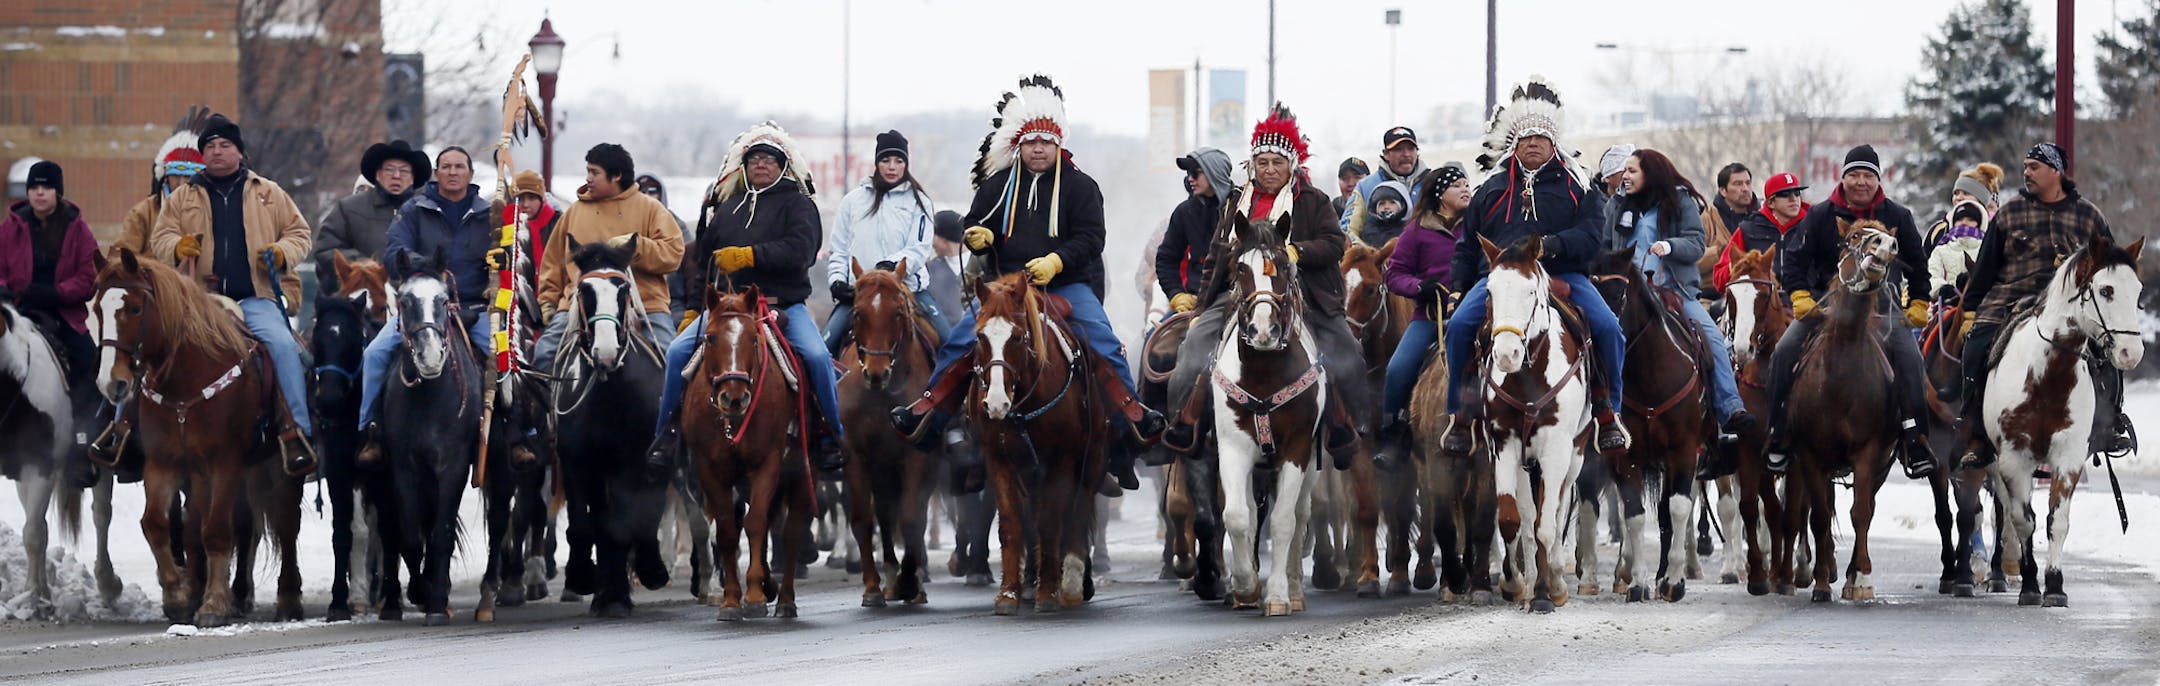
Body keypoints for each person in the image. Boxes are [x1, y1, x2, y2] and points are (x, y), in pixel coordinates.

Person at [889, 76, 1166, 491]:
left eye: (1046, 142)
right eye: (1032, 142)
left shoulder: (1081, 187)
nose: (1039, 149)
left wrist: (1057, 261)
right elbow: (975, 221)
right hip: (1007, 287)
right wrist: (978, 235)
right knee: (964, 339)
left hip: (1066, 285)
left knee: (1105, 342)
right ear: (1020, 145)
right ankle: (933, 418)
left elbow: (1092, 239)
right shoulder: (998, 185)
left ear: (1058, 144)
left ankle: (1129, 428)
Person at [1159, 104, 1362, 466]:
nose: (1269, 170)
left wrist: (1296, 252)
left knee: (1346, 350)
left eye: (1277, 162)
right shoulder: (1237, 203)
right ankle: (1186, 423)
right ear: (1252, 164)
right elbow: (1216, 258)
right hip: (1241, 294)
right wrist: (1202, 307)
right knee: (1192, 348)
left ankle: (1346, 426)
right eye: (1262, 162)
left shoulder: (1313, 201)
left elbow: (1334, 244)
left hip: (1305, 295)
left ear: (1292, 165)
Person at [1442, 77, 1628, 456]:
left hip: (1564, 275)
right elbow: (1466, 246)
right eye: (1526, 139)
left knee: (1609, 329)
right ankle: (1461, 416)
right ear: (1514, 143)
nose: (1532, 144)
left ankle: (1607, 410)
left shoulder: (1579, 187)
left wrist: (1552, 246)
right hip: (1502, 279)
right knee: (1460, 326)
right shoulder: (1490, 190)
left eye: (1540, 139)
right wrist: (1459, 287)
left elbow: (1593, 236)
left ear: (1554, 143)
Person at [649, 121, 843, 472]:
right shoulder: (726, 207)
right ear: (743, 165)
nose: (761, 164)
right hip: (729, 307)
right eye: (754, 159)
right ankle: (668, 433)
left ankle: (830, 434)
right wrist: (694, 311)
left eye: (769, 159)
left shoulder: (799, 205)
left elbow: (801, 250)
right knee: (677, 351)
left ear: (783, 166)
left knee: (817, 358)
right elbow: (705, 264)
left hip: (783, 304)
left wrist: (750, 255)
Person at [147, 114, 317, 474]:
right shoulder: (181, 197)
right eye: (209, 146)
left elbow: (300, 233)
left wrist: (283, 252)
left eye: (225, 145)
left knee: (285, 348)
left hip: (255, 298)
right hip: (199, 300)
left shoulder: (269, 193)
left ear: (239, 152)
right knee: (149, 345)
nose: (216, 152)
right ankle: (124, 428)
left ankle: (294, 431)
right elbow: (159, 238)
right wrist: (178, 246)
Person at [1957, 143, 2132, 469]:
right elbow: (1984, 268)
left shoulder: (2090, 215)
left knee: (2107, 349)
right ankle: (1975, 429)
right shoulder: (2009, 213)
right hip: (2012, 301)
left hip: (2073, 308)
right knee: (1976, 344)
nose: (2026, 173)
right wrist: (1971, 309)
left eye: (2034, 167)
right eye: (2025, 166)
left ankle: (2110, 423)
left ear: (2056, 172)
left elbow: (2112, 269)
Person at [1765, 144, 1935, 477]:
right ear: (1843, 178)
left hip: (1882, 308)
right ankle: (1779, 433)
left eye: (1868, 175)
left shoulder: (1898, 215)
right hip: (1825, 306)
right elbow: (1795, 263)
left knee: (1912, 360)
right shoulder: (1820, 215)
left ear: (1878, 179)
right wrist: (1800, 297)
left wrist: (1918, 303)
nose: (1861, 182)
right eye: (1854, 174)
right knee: (1783, 353)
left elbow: (1919, 265)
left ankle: (1914, 437)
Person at [1609, 149, 1755, 480]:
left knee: (1712, 337)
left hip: (1673, 290)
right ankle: (1599, 413)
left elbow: (1696, 243)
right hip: (1627, 297)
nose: (1626, 176)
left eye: (1632, 170)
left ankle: (1728, 407)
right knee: (1601, 336)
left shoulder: (1679, 201)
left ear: (1652, 172)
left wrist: (1670, 246)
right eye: (1624, 171)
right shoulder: (1617, 204)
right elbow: (1605, 246)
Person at [352, 147, 499, 462]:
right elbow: (394, 252)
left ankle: (512, 431)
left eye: (459, 166)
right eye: (446, 166)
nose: (453, 172)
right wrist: (426, 267)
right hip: (422, 304)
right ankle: (371, 429)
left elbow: (510, 262)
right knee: (375, 354)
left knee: (505, 361)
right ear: (436, 173)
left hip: (474, 306)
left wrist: (503, 259)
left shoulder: (490, 214)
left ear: (470, 174)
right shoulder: (413, 210)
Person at [532, 143, 683, 375]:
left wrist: (636, 246)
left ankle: (672, 411)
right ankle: (542, 411)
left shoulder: (651, 209)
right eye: (588, 171)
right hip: (580, 304)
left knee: (671, 356)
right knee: (544, 353)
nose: (588, 178)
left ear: (616, 176)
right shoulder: (574, 211)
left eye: (595, 172)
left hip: (645, 304)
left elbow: (673, 254)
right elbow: (553, 263)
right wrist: (548, 302)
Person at [1, 160, 102, 484]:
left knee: (90, 364)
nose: (39, 192)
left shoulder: (78, 228)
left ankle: (83, 445)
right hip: (17, 311)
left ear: (58, 192)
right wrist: (5, 291)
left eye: (45, 187)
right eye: (33, 187)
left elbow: (88, 277)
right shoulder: (11, 226)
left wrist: (53, 293)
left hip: (63, 313)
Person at [1372, 164, 1467, 470]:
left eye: (1467, 184)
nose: (1467, 190)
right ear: (1440, 195)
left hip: (1472, 313)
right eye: (1458, 185)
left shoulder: (1478, 224)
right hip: (1429, 316)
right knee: (1398, 368)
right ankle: (1394, 435)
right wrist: (1420, 287)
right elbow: (1395, 275)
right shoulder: (1415, 230)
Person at [822, 129, 951, 354]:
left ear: (906, 164)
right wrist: (837, 282)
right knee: (822, 349)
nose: (892, 167)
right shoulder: (852, 201)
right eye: (886, 160)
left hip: (909, 289)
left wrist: (890, 265)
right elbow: (839, 249)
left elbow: (919, 248)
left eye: (898, 160)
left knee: (951, 343)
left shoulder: (920, 202)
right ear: (876, 163)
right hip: (860, 293)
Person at [315, 140, 428, 263]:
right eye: (389, 169)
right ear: (378, 175)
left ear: (413, 178)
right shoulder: (349, 209)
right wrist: (364, 267)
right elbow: (326, 250)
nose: (396, 175)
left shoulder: (427, 212)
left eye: (404, 171)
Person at [1158, 147, 1235, 315]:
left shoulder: (1242, 207)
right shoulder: (1184, 212)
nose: (1190, 178)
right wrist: (1176, 294)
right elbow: (1166, 258)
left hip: (1234, 299)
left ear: (1214, 173)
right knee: (1152, 338)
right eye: (1188, 173)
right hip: (1193, 299)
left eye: (1196, 173)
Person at [1710, 171, 1808, 291]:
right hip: (1760, 303)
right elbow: (1719, 279)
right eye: (1785, 194)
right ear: (1771, 203)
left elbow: (1829, 273)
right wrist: (1740, 266)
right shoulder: (1748, 229)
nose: (1793, 199)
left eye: (1797, 193)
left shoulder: (1813, 226)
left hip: (1808, 301)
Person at [116, 130, 207, 259]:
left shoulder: (212, 209)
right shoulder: (143, 213)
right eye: (175, 175)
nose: (181, 183)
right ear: (165, 177)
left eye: (188, 176)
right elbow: (121, 260)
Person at [1340, 126, 1428, 241]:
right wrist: (1371, 255)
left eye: (1411, 148)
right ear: (1386, 154)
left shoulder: (1432, 183)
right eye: (1399, 149)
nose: (1406, 154)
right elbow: (1347, 230)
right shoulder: (1364, 187)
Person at [638, 174, 697, 321]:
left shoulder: (676, 225)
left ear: (661, 195)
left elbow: (686, 263)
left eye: (652, 191)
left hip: (670, 299)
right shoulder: (625, 223)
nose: (647, 196)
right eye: (642, 192)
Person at [1924, 162, 2005, 249]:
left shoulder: (1997, 230)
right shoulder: (1939, 230)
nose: (1959, 198)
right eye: (1956, 193)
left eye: (1966, 193)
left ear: (1981, 199)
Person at [1926, 200, 1988, 298]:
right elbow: (1932, 277)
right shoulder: (1940, 251)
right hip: (1946, 303)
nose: (1964, 223)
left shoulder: (1987, 249)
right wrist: (1942, 288)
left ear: (1980, 223)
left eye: (1970, 219)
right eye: (1959, 219)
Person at [501, 169, 560, 267]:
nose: (525, 204)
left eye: (532, 198)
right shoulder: (506, 227)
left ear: (542, 200)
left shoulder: (559, 226)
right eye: (520, 199)